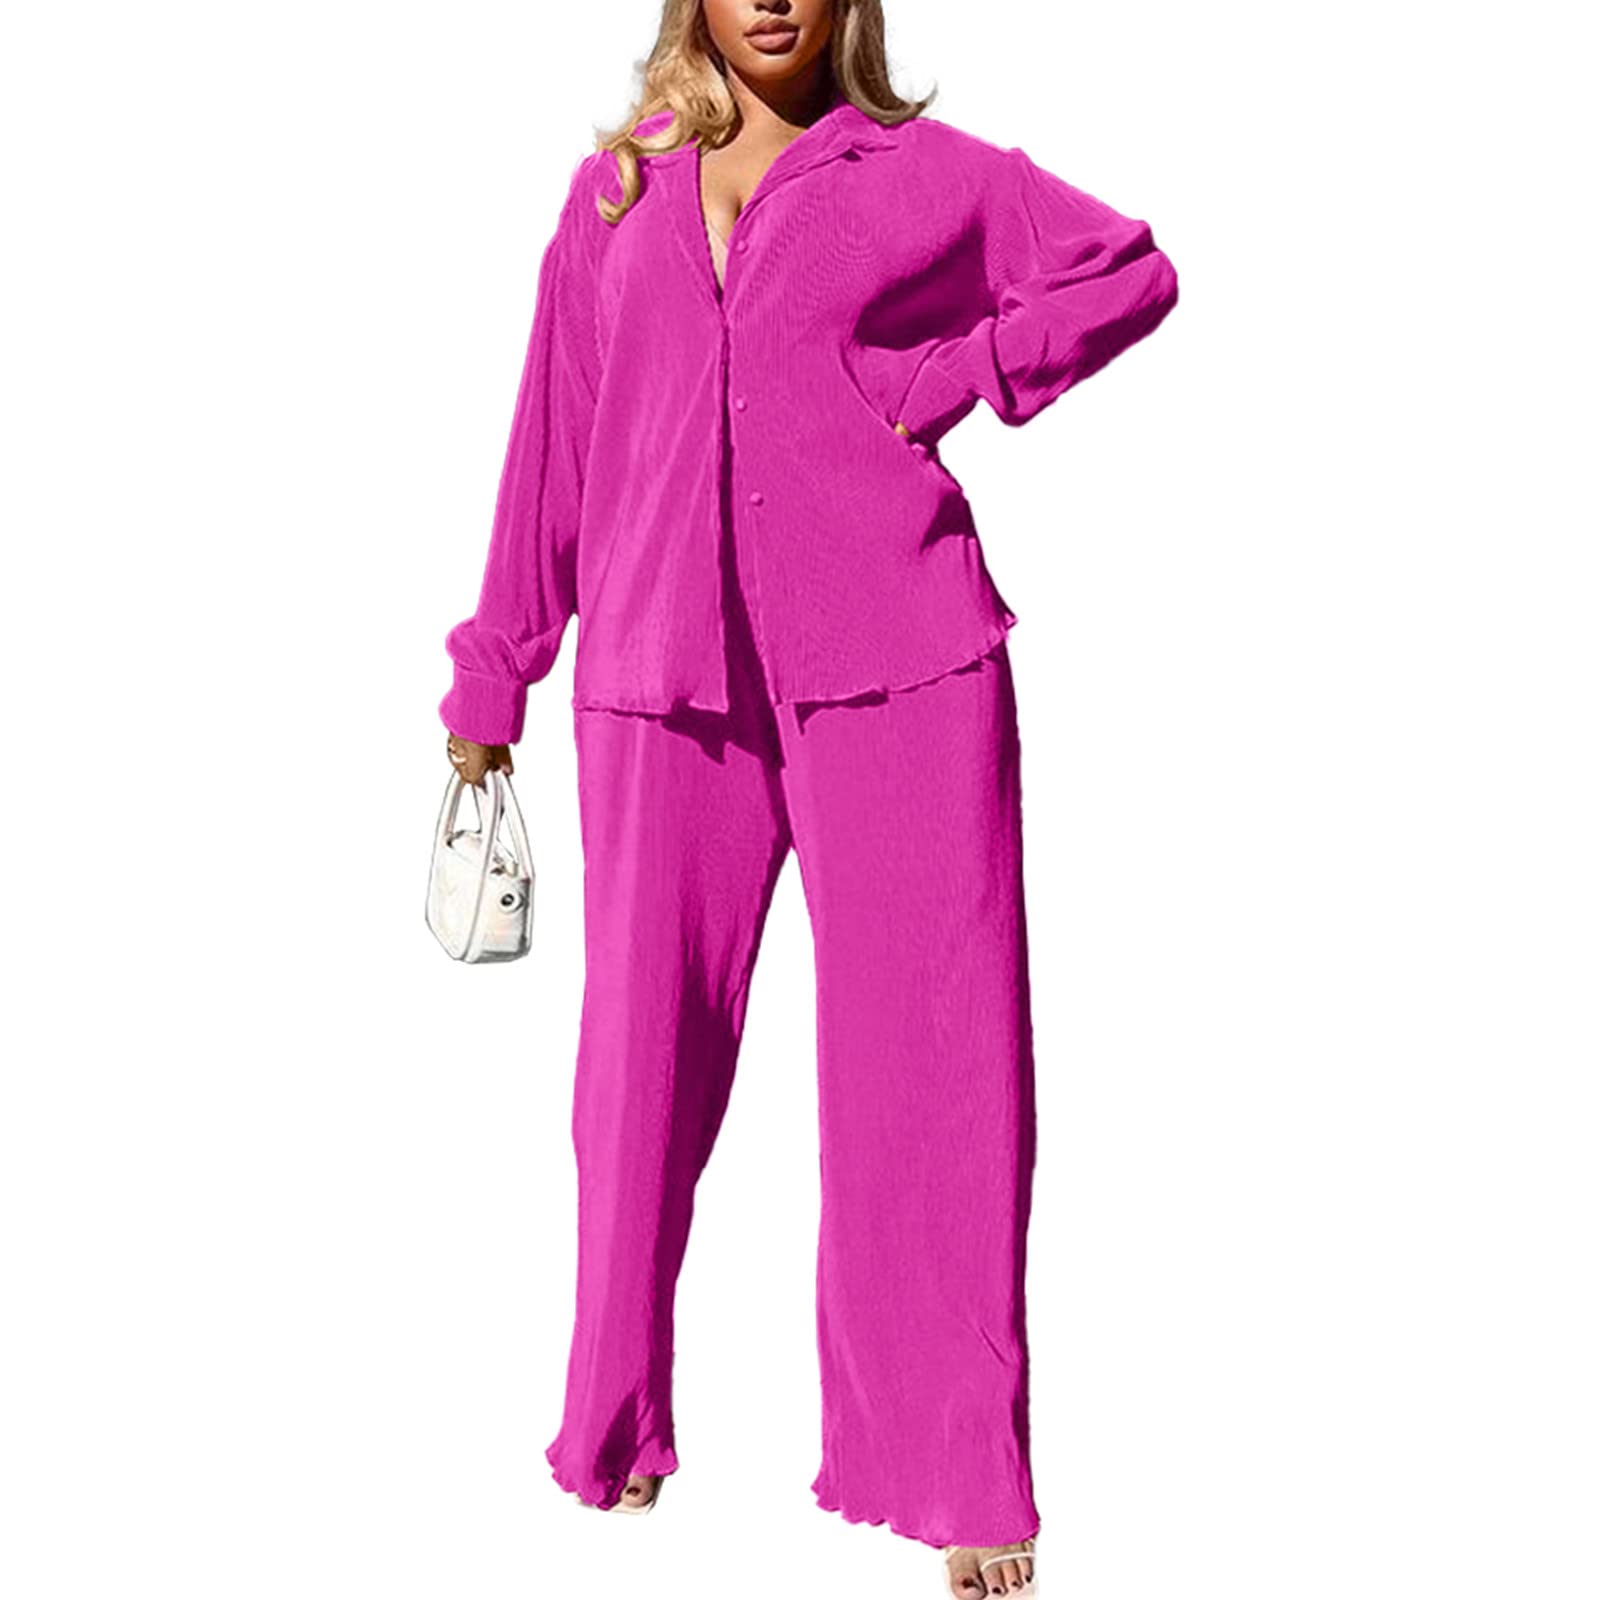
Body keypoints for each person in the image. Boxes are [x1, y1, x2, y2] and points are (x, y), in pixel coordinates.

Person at [438, 3, 1179, 1594]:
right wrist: (494, 674)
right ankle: (615, 1419)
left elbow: (1126, 267)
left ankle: (961, 1468)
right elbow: (553, 443)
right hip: (663, 675)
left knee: (935, 1071)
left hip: (899, 653)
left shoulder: (923, 173)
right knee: (635, 1075)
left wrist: (962, 372)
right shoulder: (617, 189)